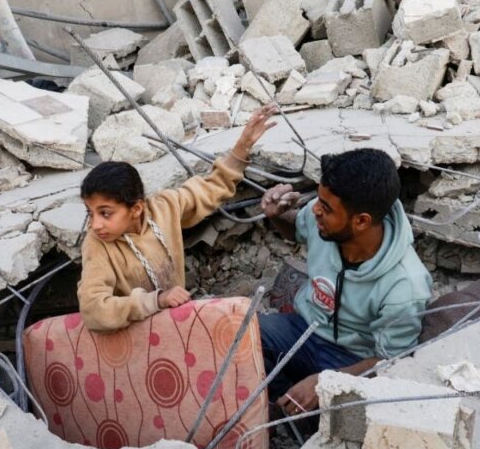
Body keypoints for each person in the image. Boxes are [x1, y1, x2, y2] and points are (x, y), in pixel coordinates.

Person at [258, 148, 433, 415]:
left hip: (353, 358)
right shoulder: (324, 222)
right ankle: (286, 401)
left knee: (346, 419)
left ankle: (304, 413)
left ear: (362, 221)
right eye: (318, 200)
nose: (315, 210)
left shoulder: (405, 285)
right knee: (244, 336)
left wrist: (326, 382)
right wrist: (276, 215)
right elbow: (297, 229)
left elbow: (391, 362)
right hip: (304, 328)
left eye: (326, 208)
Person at [77, 105, 277, 331]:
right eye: (89, 213)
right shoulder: (97, 244)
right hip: (136, 335)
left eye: (105, 213)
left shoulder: (164, 208)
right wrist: (157, 300)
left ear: (136, 209)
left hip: (177, 319)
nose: (95, 224)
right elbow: (93, 311)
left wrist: (242, 147)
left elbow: (211, 188)